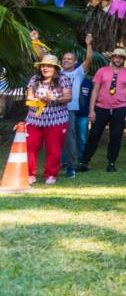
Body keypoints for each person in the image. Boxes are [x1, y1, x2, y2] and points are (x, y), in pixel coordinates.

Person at [78, 48, 126, 173]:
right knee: (94, 134)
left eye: (120, 57)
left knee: (116, 136)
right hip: (101, 108)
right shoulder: (102, 71)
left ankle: (111, 162)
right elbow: (95, 90)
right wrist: (91, 110)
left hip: (120, 108)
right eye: (115, 56)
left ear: (124, 59)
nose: (118, 59)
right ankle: (84, 162)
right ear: (111, 58)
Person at [25, 54, 72, 185]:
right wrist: (39, 100)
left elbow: (68, 97)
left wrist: (54, 99)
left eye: (49, 66)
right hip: (34, 119)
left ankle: (51, 174)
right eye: (43, 66)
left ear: (55, 68)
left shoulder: (63, 79)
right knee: (30, 145)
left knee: (53, 148)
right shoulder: (34, 79)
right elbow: (29, 97)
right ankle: (30, 174)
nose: (45, 68)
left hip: (56, 120)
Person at [59, 33, 93, 178]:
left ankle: (71, 166)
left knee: (70, 137)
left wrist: (89, 44)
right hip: (55, 109)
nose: (66, 60)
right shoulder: (57, 72)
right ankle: (61, 162)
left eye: (70, 59)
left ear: (75, 61)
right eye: (65, 58)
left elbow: (89, 60)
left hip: (70, 110)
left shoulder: (79, 73)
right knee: (56, 137)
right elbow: (43, 59)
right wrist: (35, 42)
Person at [74, 76, 93, 163]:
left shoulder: (88, 83)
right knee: (66, 139)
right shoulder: (68, 80)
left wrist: (91, 112)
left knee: (82, 138)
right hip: (69, 114)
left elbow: (91, 99)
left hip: (83, 115)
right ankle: (65, 162)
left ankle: (82, 160)